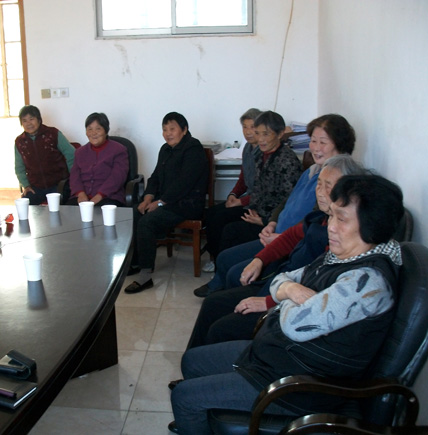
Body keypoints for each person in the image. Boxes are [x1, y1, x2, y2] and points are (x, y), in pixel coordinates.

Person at [169, 174, 404, 435]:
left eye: (342, 219)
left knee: (184, 397)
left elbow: (294, 324)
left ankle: (196, 417)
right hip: (280, 358)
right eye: (332, 216)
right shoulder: (342, 257)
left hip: (301, 386)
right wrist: (291, 290)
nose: (331, 227)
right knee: (192, 361)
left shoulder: (366, 283)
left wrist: (286, 295)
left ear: (372, 226)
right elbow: (283, 279)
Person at [185, 156, 365, 350]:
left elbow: (313, 289)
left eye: (328, 186)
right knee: (212, 303)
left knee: (221, 328)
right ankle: (192, 361)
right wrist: (259, 260)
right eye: (318, 184)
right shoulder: (320, 217)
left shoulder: (340, 238)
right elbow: (291, 236)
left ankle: (211, 362)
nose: (319, 191)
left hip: (287, 305)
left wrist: (268, 301)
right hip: (279, 285)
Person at [195, 113, 356, 297]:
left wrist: (269, 226)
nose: (316, 147)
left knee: (235, 267)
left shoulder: (336, 181)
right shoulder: (312, 170)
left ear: (339, 144)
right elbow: (287, 201)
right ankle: (219, 287)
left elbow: (312, 223)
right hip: (275, 232)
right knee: (224, 249)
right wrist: (271, 222)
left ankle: (226, 296)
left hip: (288, 243)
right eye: (313, 141)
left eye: (323, 142)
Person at [202, 111, 303, 271]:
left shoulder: (287, 161)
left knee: (230, 230)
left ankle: (225, 272)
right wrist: (239, 199)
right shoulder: (261, 155)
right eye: (258, 133)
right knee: (216, 216)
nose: (260, 139)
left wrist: (265, 220)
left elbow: (289, 201)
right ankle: (219, 266)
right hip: (257, 210)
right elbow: (257, 188)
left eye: (265, 134)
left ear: (280, 134)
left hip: (271, 220)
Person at [124, 112, 208, 294]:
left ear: (184, 130)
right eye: (164, 129)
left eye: (172, 129)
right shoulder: (165, 149)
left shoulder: (193, 149)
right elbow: (155, 177)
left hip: (187, 204)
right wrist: (148, 197)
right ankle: (136, 262)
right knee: (135, 213)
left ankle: (145, 275)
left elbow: (184, 183)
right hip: (166, 202)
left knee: (147, 221)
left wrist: (160, 203)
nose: (168, 133)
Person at [201, 108, 262, 273]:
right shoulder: (247, 148)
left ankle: (221, 261)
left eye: (252, 127)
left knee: (221, 218)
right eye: (244, 127)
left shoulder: (263, 152)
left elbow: (261, 190)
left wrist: (240, 202)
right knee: (211, 213)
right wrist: (233, 195)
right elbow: (243, 178)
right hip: (246, 199)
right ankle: (214, 257)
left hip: (256, 204)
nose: (248, 132)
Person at [14, 105, 75, 205]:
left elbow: (71, 155)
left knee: (64, 206)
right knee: (24, 205)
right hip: (36, 187)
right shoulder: (20, 142)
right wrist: (26, 185)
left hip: (59, 184)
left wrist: (73, 179)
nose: (28, 123)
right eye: (24, 120)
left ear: (39, 119)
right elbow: (19, 167)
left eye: (31, 119)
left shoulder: (53, 133)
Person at [67, 113, 129, 207]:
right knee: (68, 212)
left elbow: (118, 177)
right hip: (82, 198)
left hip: (109, 197)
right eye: (90, 129)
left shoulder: (119, 150)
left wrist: (100, 195)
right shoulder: (80, 152)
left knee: (101, 212)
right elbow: (74, 176)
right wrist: (80, 193)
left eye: (98, 129)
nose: (93, 133)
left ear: (106, 131)